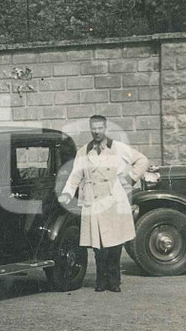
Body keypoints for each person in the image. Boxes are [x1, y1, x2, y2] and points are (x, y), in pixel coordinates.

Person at [59, 115, 148, 293]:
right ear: (90, 129)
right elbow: (75, 175)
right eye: (94, 128)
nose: (97, 131)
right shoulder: (84, 152)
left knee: (115, 244)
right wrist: (67, 193)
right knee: (98, 246)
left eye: (100, 128)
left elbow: (142, 160)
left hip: (114, 200)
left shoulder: (118, 148)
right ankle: (100, 280)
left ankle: (114, 281)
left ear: (105, 128)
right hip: (93, 201)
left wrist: (129, 179)